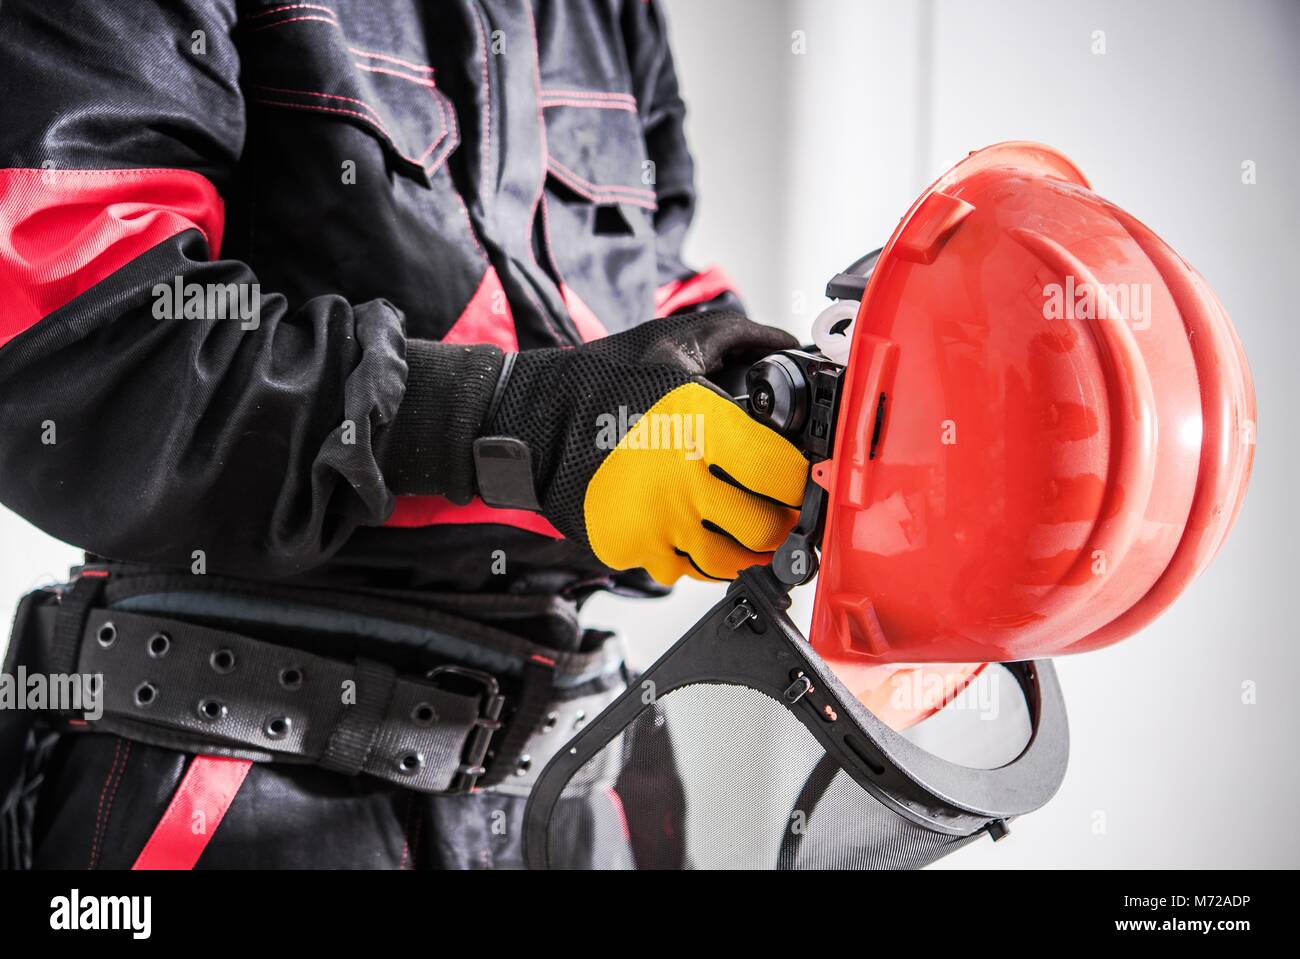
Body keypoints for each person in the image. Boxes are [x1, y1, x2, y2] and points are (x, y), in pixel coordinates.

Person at [0, 0, 808, 868]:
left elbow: (650, 290)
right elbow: (81, 340)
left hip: (574, 790)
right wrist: (503, 421)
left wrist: (787, 413)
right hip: (234, 784)